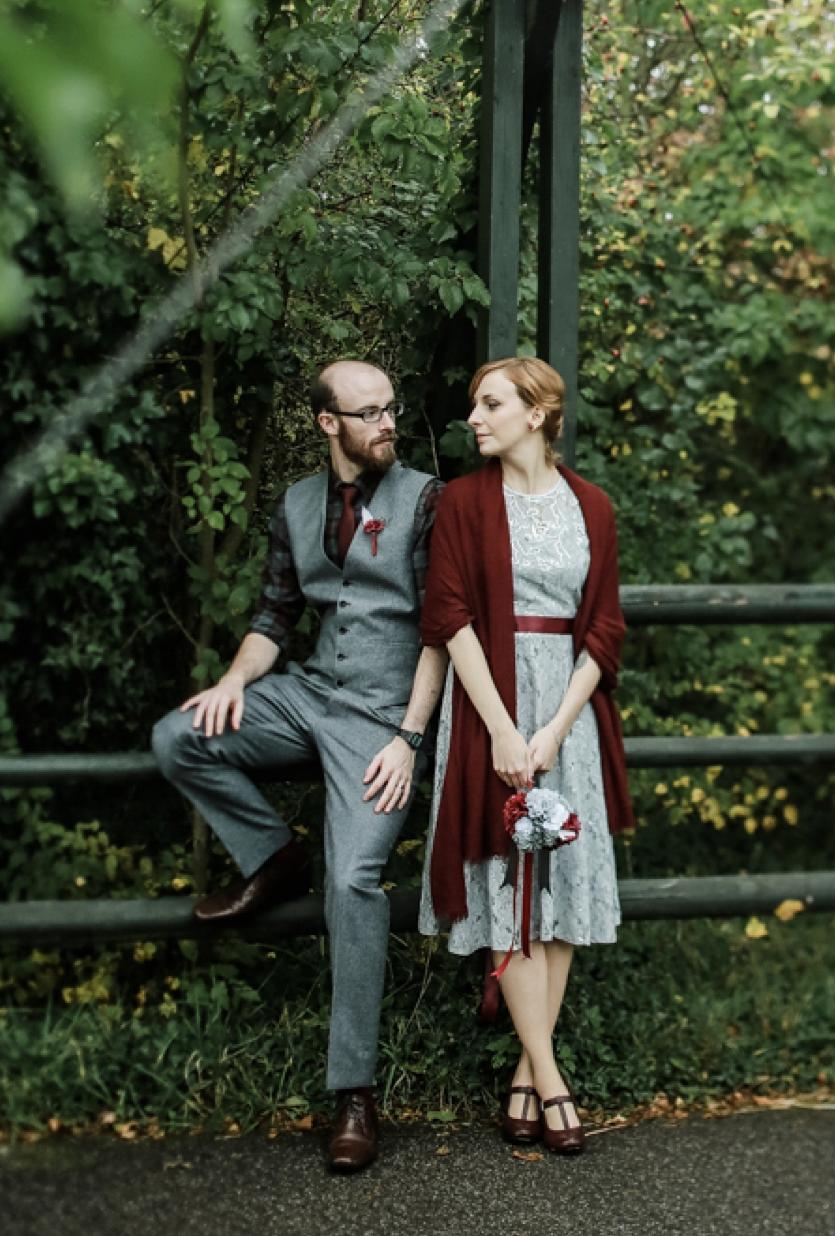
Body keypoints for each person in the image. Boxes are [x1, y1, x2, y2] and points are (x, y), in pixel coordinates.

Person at [152, 360, 447, 1173]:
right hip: (310, 694)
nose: (389, 421)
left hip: (385, 718)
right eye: (371, 412)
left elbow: (442, 629)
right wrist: (234, 681)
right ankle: (271, 857)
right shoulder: (294, 503)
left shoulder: (427, 499)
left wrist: (410, 736)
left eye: (393, 408)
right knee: (180, 737)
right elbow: (275, 614)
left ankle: (353, 1093)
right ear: (328, 424)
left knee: (353, 879)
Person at [418, 357, 632, 1155]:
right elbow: (449, 614)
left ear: (537, 413)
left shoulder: (593, 508)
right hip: (490, 709)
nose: (475, 416)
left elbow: (603, 629)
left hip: (567, 715)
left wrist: (553, 729)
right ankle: (551, 1080)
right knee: (508, 886)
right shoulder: (464, 502)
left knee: (563, 882)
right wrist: (506, 731)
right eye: (474, 402)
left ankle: (522, 1074)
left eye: (491, 403)